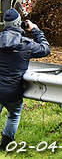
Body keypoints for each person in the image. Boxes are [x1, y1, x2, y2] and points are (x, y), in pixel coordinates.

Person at [0, 8, 50, 151]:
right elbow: (46, 49)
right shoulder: (26, 44)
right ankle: (5, 147)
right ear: (18, 24)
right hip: (13, 92)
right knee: (13, 116)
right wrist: (35, 30)